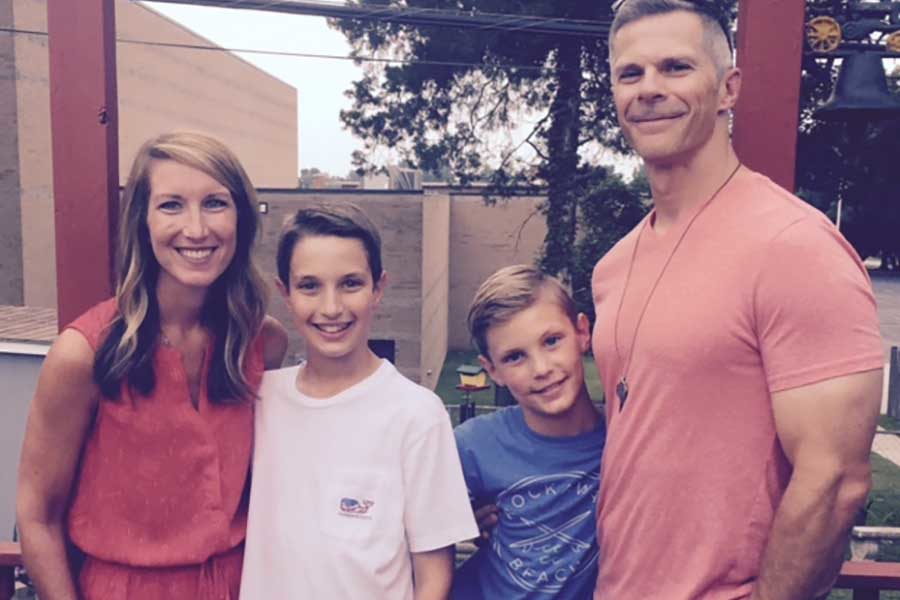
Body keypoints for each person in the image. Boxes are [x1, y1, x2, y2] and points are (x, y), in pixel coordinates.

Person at [591, 1, 884, 598]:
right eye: (630, 73)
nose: (649, 89)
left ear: (728, 89)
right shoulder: (613, 266)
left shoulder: (793, 247)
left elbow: (835, 481)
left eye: (675, 67)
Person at [16, 131, 288, 600]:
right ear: (141, 221)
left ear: (241, 218)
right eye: (171, 205)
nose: (197, 228)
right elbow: (37, 515)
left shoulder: (263, 343)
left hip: (243, 585)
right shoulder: (83, 353)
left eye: (216, 203)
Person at [239, 204, 478, 600]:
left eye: (350, 283)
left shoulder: (417, 414)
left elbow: (433, 577)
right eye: (310, 286)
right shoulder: (260, 399)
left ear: (378, 288)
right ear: (285, 293)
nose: (331, 308)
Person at [451, 265, 605, 600]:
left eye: (551, 341)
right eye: (515, 357)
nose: (542, 369)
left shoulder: (625, 441)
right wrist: (464, 523)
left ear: (582, 332)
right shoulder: (472, 446)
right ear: (492, 370)